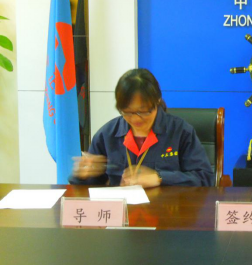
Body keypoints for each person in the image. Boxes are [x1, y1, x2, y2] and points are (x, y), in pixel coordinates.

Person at [71, 68, 214, 187]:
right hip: (122, 210)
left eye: (144, 111)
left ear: (157, 101)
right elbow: (90, 187)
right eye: (127, 112)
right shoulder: (107, 134)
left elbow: (205, 178)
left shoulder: (181, 132)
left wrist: (159, 177)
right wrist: (83, 176)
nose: (135, 119)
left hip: (167, 209)